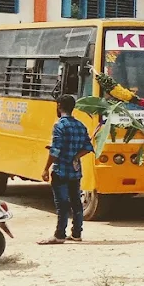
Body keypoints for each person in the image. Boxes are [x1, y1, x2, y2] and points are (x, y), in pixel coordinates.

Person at [39, 95, 94, 245]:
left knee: (62, 204)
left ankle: (59, 235)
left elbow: (55, 151)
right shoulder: (80, 125)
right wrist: (75, 156)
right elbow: (88, 147)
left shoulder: (59, 125)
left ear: (59, 106)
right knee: (76, 203)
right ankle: (76, 233)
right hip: (75, 171)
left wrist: (45, 169)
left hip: (61, 170)